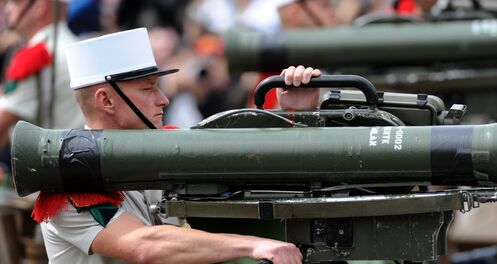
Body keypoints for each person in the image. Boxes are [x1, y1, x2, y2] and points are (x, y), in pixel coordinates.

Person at [37, 28, 320, 264]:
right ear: (106, 100)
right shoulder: (69, 180)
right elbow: (143, 245)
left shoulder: (166, 149)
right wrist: (254, 245)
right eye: (148, 89)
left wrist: (296, 116)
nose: (164, 99)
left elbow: (259, 176)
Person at [1, 0, 85, 149]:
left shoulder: (36, 55)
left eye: (15, 2)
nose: (7, 9)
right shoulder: (78, 48)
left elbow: (2, 124)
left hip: (50, 164)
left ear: (40, 7)